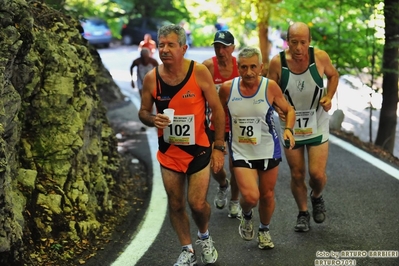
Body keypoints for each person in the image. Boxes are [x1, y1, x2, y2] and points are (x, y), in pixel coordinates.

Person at [138, 24, 225, 265]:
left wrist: (219, 147)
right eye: (161, 45)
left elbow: (217, 109)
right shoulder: (151, 78)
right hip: (169, 153)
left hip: (199, 149)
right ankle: (188, 250)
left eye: (171, 45)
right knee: (176, 204)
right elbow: (143, 111)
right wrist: (152, 118)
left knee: (197, 204)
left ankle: (204, 236)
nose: (164, 50)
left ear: (184, 48)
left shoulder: (198, 73)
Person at [219, 47, 296, 249]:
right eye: (244, 67)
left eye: (253, 66)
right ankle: (246, 214)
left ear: (261, 67)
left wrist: (288, 129)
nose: (249, 72)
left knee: (267, 194)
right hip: (241, 151)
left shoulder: (270, 88)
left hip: (268, 149)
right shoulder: (227, 89)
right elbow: (217, 115)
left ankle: (264, 230)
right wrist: (217, 142)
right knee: (251, 196)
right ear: (238, 67)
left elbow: (289, 110)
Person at [267, 22, 339, 232]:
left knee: (316, 174)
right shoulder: (277, 63)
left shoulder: (320, 58)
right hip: (290, 124)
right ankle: (303, 213)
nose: (298, 48)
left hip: (316, 121)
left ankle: (316, 196)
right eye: (293, 42)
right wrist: (275, 107)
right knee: (297, 173)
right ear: (287, 41)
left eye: (302, 42)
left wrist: (329, 96)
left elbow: (333, 75)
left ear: (309, 42)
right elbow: (269, 90)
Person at [202, 30, 241, 218]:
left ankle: (234, 201)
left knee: (238, 167)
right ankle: (223, 184)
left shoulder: (240, 66)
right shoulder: (208, 67)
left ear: (232, 48)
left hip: (237, 124)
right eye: (217, 46)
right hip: (214, 124)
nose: (220, 51)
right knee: (215, 166)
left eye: (224, 47)